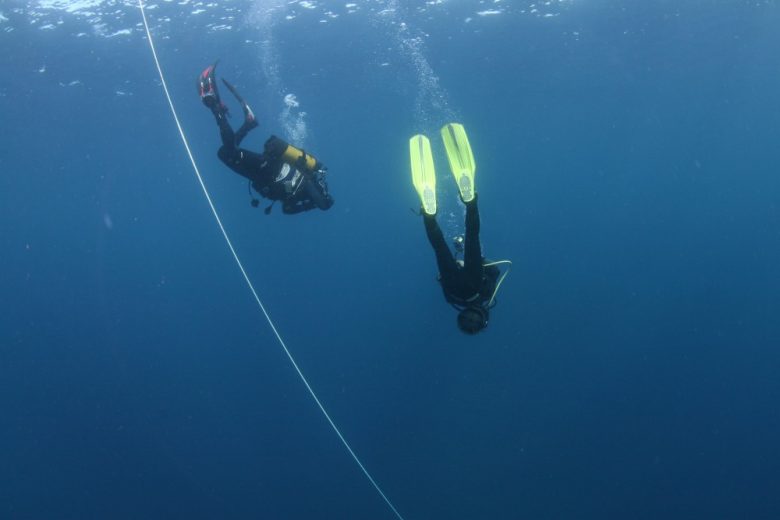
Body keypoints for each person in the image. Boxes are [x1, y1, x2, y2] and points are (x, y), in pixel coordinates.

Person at [410, 124, 509, 335]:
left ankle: (470, 201)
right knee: (438, 246)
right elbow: (441, 279)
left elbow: (494, 270)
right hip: (453, 285)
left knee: (473, 236)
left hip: (473, 282)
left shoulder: (487, 297)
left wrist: (478, 263)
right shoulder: (452, 301)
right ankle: (429, 215)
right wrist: (457, 265)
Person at [198, 62, 334, 214]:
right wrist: (320, 203)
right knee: (228, 152)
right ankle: (214, 105)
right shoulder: (309, 182)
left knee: (224, 153)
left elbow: (287, 209)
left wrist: (306, 205)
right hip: (268, 167)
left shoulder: (302, 190)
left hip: (263, 176)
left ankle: (248, 123)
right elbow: (322, 204)